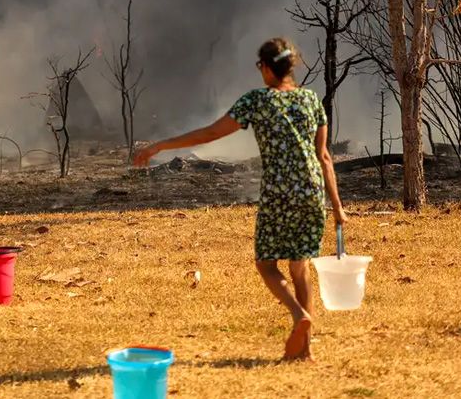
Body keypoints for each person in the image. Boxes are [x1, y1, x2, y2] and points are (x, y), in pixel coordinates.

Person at [133, 38, 347, 361]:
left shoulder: (257, 101)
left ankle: (298, 315)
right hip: (311, 191)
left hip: (279, 192)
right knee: (300, 267)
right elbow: (325, 157)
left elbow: (210, 134)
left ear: (265, 67)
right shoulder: (310, 100)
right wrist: (338, 207)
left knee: (266, 264)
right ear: (291, 66)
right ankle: (305, 352)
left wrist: (161, 146)